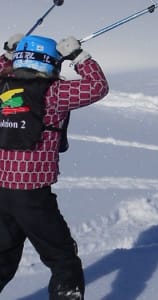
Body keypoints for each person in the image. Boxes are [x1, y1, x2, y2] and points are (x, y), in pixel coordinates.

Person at [0, 34, 109, 298]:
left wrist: (7, 55)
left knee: (3, 258)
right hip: (33, 194)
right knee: (63, 260)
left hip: (1, 192)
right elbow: (97, 87)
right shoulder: (54, 93)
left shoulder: (3, 87)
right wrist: (79, 57)